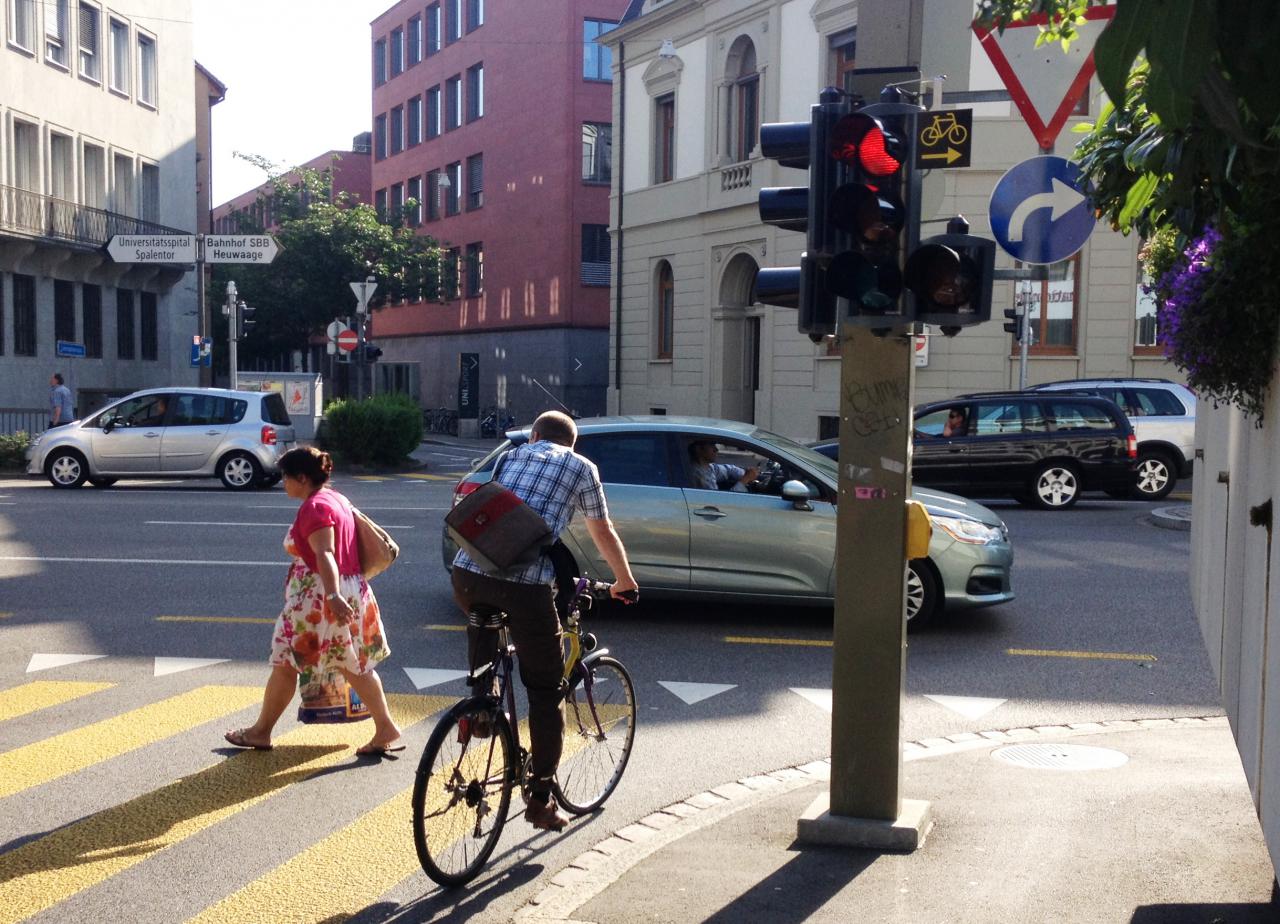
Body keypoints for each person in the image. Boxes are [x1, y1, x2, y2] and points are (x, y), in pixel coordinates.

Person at [452, 410, 638, 832]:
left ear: (535, 435)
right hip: (524, 585)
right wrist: (625, 580)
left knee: (485, 619)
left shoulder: (511, 456)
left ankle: (482, 701)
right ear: (572, 443)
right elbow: (601, 530)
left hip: (465, 574)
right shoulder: (582, 467)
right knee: (545, 691)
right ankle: (539, 799)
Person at [225, 446, 403, 756]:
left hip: (318, 599)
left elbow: (325, 553)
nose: (283, 482)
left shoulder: (315, 508)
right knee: (349, 663)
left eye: (286, 477)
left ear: (303, 478)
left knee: (288, 662)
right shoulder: (336, 499)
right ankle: (263, 730)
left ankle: (261, 731)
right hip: (346, 589)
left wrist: (332, 595)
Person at [688, 440, 759, 491]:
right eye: (711, 445)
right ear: (698, 449)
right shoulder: (699, 476)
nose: (716, 449)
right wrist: (745, 479)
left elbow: (728, 470)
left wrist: (747, 474)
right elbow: (722, 501)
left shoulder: (708, 467)